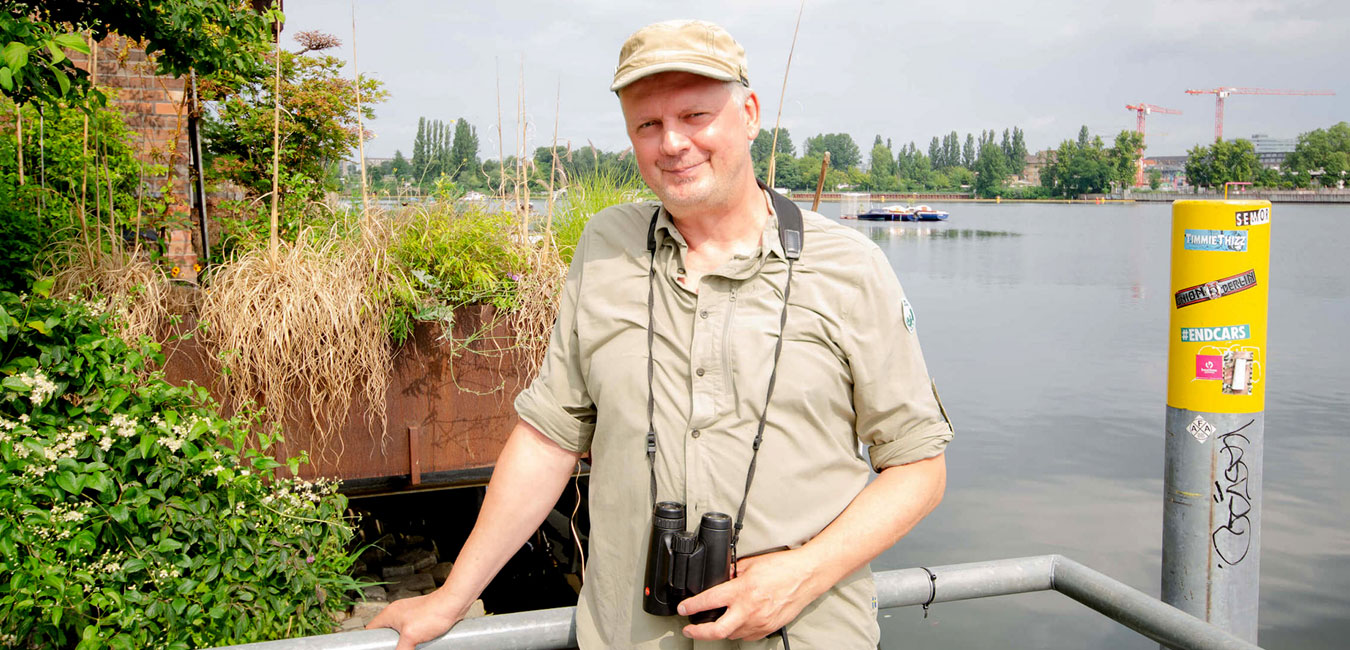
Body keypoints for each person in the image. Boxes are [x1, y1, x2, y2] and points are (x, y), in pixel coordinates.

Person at [369, 19, 952, 649]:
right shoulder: (604, 248)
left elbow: (918, 467)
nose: (672, 143)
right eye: (648, 124)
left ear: (750, 114)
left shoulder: (850, 268)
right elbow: (548, 440)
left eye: (696, 115)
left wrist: (803, 573)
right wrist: (451, 598)